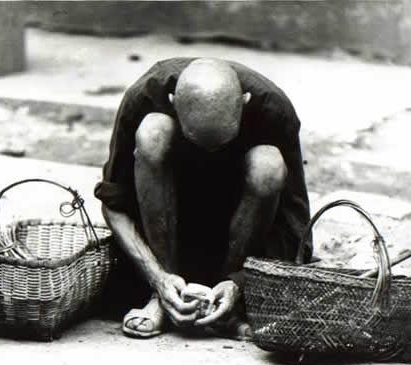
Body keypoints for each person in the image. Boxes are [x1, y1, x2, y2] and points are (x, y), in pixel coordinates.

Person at [94, 57, 313, 339]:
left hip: (236, 237)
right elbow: (113, 204)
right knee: (153, 131)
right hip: (166, 232)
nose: (210, 155)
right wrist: (158, 278)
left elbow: (296, 231)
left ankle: (226, 305)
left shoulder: (273, 109)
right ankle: (164, 297)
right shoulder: (145, 95)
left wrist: (239, 283)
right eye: (197, 141)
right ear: (172, 102)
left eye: (222, 143)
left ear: (245, 102)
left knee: (268, 164)